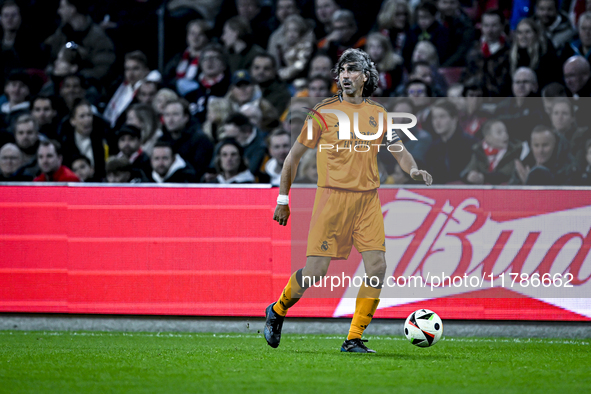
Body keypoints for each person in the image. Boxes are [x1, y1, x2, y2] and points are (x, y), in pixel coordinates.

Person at [264, 48, 432, 353]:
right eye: (341, 70)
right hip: (332, 201)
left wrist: (414, 169)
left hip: (367, 200)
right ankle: (277, 309)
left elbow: (397, 149)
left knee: (377, 266)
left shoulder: (379, 114)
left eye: (352, 70)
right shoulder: (322, 113)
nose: (345, 75)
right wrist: (283, 198)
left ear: (365, 77)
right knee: (315, 273)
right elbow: (293, 158)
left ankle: (353, 338)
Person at [44, 0, 115, 82]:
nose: (59, 11)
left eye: (62, 7)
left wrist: (74, 74)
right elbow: (50, 61)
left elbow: (103, 69)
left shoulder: (98, 37)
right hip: (59, 84)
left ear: (72, 9)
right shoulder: (61, 34)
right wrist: (54, 71)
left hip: (87, 86)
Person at [424, 99, 478, 184]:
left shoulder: (471, 144)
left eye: (442, 117)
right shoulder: (432, 148)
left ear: (454, 118)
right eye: (434, 118)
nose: (437, 122)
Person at [461, 119, 526, 185]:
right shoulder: (478, 150)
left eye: (505, 131)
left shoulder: (515, 151)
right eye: (499, 132)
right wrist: (469, 175)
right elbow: (468, 169)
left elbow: (505, 174)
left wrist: (484, 177)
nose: (505, 135)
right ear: (488, 138)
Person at [510, 124, 574, 185]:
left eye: (545, 145)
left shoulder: (567, 168)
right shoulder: (524, 166)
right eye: (536, 145)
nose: (540, 151)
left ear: (554, 144)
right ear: (531, 146)